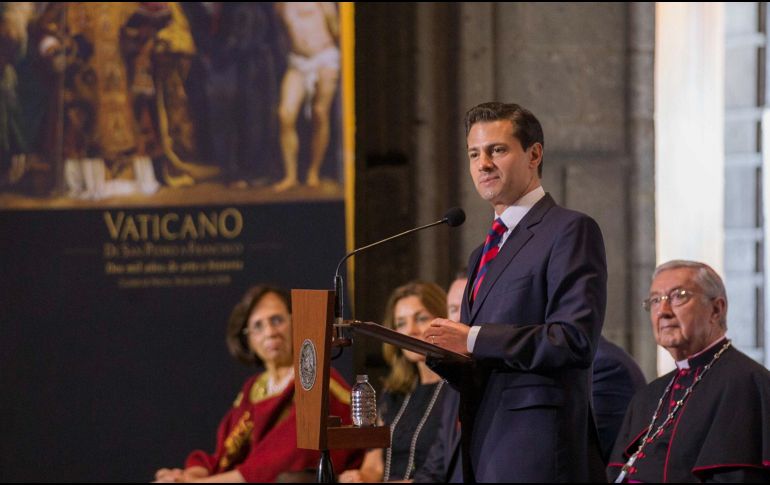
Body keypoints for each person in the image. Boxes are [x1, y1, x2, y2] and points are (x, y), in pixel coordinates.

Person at [423, 102, 608, 482]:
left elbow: (573, 339)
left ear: (534, 155)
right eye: (474, 154)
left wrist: (471, 338)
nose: (483, 164)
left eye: (497, 150)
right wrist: (445, 353)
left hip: (536, 450)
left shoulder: (569, 230)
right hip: (483, 444)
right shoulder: (481, 254)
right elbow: (483, 362)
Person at [154, 285, 361, 482]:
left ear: (295, 323)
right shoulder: (254, 388)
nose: (270, 332)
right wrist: (192, 474)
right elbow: (225, 453)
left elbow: (282, 460)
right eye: (258, 326)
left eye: (277, 320)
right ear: (249, 339)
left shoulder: (317, 379)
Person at [608, 260, 770, 483]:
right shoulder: (647, 396)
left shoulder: (747, 384)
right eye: (655, 300)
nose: (663, 311)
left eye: (678, 296)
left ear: (716, 309)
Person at [338, 282, 449, 482]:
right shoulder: (393, 392)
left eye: (421, 318)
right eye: (401, 323)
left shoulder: (456, 390)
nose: (410, 330)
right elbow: (374, 466)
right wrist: (359, 477)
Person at [274, 2, 339, 191]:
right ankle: (290, 176)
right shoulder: (280, 5)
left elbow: (337, 30)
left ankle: (314, 172)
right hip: (298, 61)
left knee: (320, 113)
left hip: (324, 58)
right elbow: (281, 32)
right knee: (285, 114)